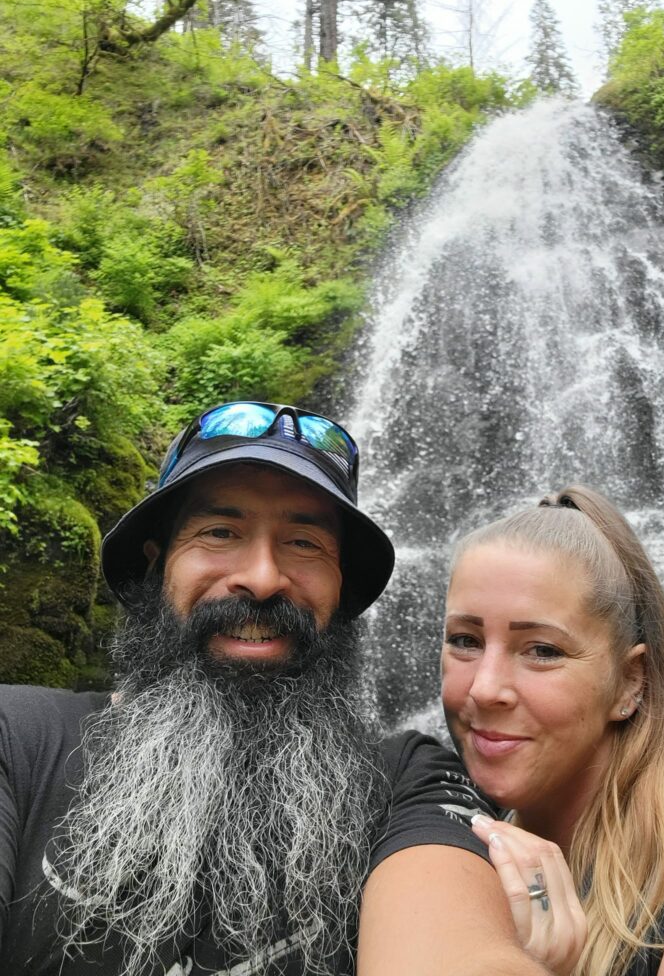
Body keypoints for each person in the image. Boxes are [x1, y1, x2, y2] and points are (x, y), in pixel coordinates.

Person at [0, 401, 547, 976]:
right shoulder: (19, 739)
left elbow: (453, 944)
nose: (262, 578)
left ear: (341, 589)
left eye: (304, 543)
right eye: (219, 532)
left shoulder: (408, 783)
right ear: (157, 565)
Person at [443, 485, 664, 976]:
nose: (485, 689)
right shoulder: (457, 842)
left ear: (629, 683)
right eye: (465, 640)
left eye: (543, 650)